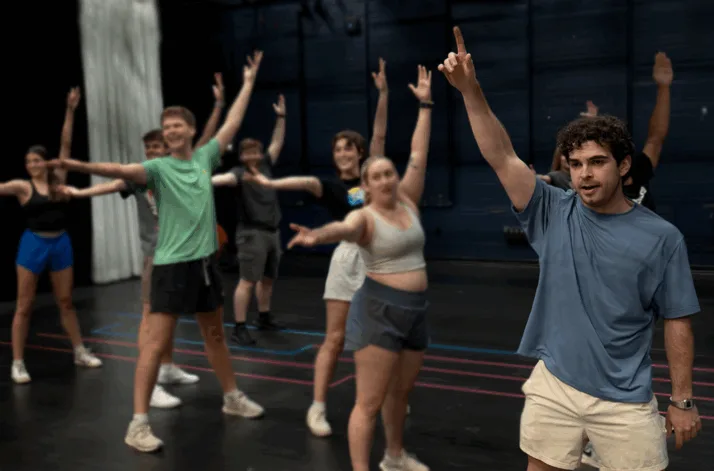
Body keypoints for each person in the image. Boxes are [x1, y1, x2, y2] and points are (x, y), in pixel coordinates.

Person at [439, 26, 702, 471]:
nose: (584, 174)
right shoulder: (551, 210)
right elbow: (501, 155)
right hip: (554, 386)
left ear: (623, 165)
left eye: (597, 162)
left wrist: (682, 400)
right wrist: (470, 90)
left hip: (625, 400)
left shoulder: (663, 238)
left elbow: (677, 320)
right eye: (576, 164)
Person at [48, 51, 266, 453]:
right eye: (166, 127)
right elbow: (118, 171)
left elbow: (233, 123)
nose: (171, 131)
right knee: (153, 344)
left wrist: (249, 83)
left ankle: (232, 397)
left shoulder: (205, 158)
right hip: (170, 268)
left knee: (215, 335)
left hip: (204, 266)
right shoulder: (157, 169)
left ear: (191, 130)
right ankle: (138, 424)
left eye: (177, 125)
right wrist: (74, 164)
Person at [246, 61, 433, 439]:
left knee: (389, 338)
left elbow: (379, 134)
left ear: (360, 153)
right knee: (334, 338)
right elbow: (303, 182)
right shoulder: (330, 186)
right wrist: (269, 183)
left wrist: (384, 95)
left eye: (348, 148)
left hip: (381, 259)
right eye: (337, 149)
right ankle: (317, 406)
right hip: (348, 259)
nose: (343, 153)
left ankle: (391, 397)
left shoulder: (374, 177)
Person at [54, 73, 226, 408]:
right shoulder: (142, 177)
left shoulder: (179, 169)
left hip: (185, 257)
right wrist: (77, 192)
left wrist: (219, 105)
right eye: (147, 148)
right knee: (151, 318)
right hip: (156, 257)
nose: (151, 152)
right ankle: (153, 384)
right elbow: (110, 183)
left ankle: (167, 367)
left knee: (170, 318)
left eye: (156, 147)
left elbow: (206, 138)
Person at [2, 87, 102, 384]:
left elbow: (65, 144)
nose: (33, 165)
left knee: (66, 301)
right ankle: (18, 363)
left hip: (60, 243)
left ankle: (79, 351)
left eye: (37, 160)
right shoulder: (22, 187)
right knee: (24, 305)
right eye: (28, 161)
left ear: (45, 162)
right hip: (33, 244)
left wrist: (70, 110)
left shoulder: (59, 180)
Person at [210, 94, 287, 345]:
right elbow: (222, 180)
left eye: (256, 151)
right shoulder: (239, 173)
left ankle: (263, 316)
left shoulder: (266, 165)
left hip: (272, 232)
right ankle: (239, 327)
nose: (253, 155)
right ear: (242, 156)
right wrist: (201, 180)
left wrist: (281, 117)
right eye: (248, 152)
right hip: (252, 234)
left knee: (268, 279)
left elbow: (277, 141)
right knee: (247, 281)